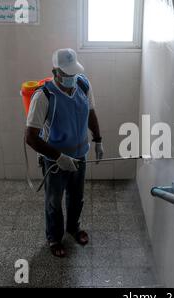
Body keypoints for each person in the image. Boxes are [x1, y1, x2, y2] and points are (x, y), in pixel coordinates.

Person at [25, 48, 104, 258]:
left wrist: (97, 140)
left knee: (77, 196)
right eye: (66, 74)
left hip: (80, 155)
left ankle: (73, 227)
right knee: (54, 201)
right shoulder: (44, 96)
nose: (71, 78)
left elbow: (91, 112)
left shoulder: (82, 84)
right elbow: (30, 137)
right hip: (54, 161)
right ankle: (54, 238)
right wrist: (59, 157)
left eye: (73, 73)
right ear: (55, 72)